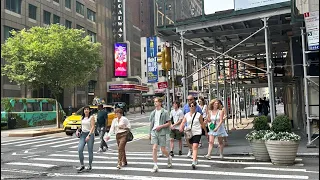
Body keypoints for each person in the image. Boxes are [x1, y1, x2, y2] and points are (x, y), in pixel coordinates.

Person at [179, 101, 208, 169]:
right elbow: (183, 122)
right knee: (191, 145)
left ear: (195, 107)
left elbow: (202, 124)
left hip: (197, 132)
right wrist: (181, 127)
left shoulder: (198, 115)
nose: (192, 107)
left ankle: (194, 161)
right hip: (189, 132)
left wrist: (206, 132)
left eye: (193, 106)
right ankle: (195, 157)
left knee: (195, 146)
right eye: (190, 106)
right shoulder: (186, 115)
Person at [149, 97, 172, 173]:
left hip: (162, 132)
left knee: (163, 149)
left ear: (160, 103)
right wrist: (149, 133)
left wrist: (161, 126)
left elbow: (169, 123)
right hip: (154, 132)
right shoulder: (153, 113)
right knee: (154, 148)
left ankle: (169, 157)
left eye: (156, 101)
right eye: (154, 101)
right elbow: (151, 124)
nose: (155, 103)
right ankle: (155, 165)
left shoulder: (165, 112)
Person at [76, 105, 95, 172]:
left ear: (89, 110)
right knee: (79, 149)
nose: (86, 110)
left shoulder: (91, 117)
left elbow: (92, 127)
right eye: (85, 109)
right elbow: (81, 126)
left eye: (87, 109)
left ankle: (89, 165)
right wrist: (78, 130)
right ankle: (82, 165)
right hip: (83, 134)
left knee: (90, 150)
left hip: (90, 134)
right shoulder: (82, 118)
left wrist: (89, 135)